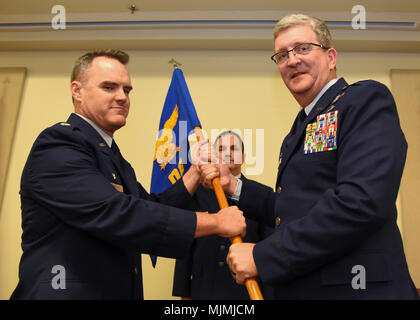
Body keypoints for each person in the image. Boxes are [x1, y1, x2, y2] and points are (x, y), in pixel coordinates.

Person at [201, 14, 418, 299]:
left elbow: (361, 201)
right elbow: (292, 212)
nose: (292, 60)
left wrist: (264, 256)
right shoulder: (298, 129)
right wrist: (234, 186)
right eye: (282, 55)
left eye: (303, 48)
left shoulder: (363, 100)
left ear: (331, 57)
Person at [10, 49, 246, 300]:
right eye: (109, 87)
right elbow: (117, 213)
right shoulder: (59, 143)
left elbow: (150, 206)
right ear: (77, 91)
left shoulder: (113, 157)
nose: (122, 97)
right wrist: (216, 222)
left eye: (127, 90)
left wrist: (194, 173)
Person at [172, 131, 273, 299]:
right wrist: (184, 293)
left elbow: (269, 249)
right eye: (221, 149)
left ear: (244, 157)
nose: (227, 153)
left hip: (246, 293)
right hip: (204, 291)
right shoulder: (196, 195)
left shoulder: (261, 196)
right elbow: (185, 247)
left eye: (234, 149)